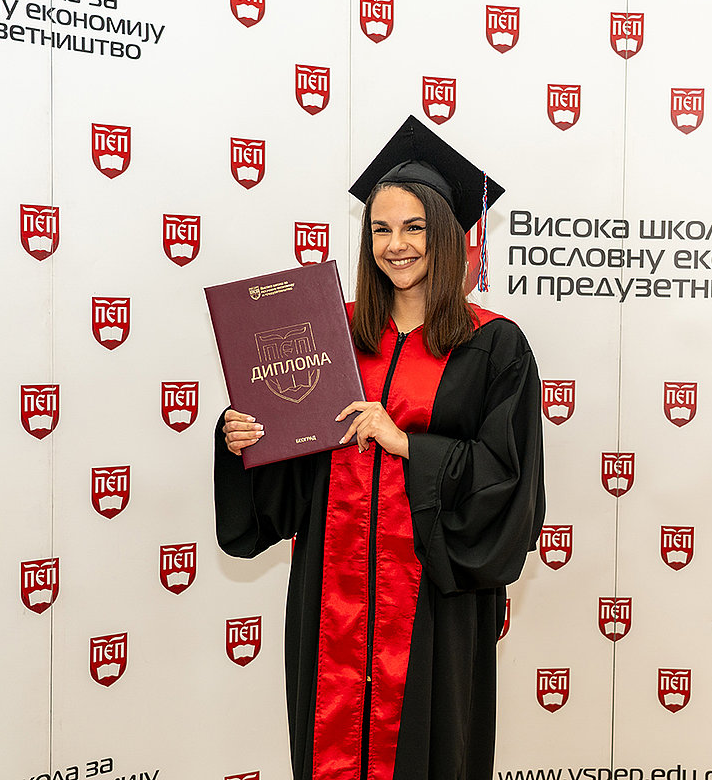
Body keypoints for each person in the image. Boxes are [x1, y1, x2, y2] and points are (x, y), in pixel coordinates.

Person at [214, 115, 545, 780]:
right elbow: (289, 479)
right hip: (331, 600)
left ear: (446, 235)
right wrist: (244, 436)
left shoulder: (493, 345)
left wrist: (409, 445)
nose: (396, 245)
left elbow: (510, 484)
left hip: (431, 608)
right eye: (381, 229)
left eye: (414, 228)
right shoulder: (329, 334)